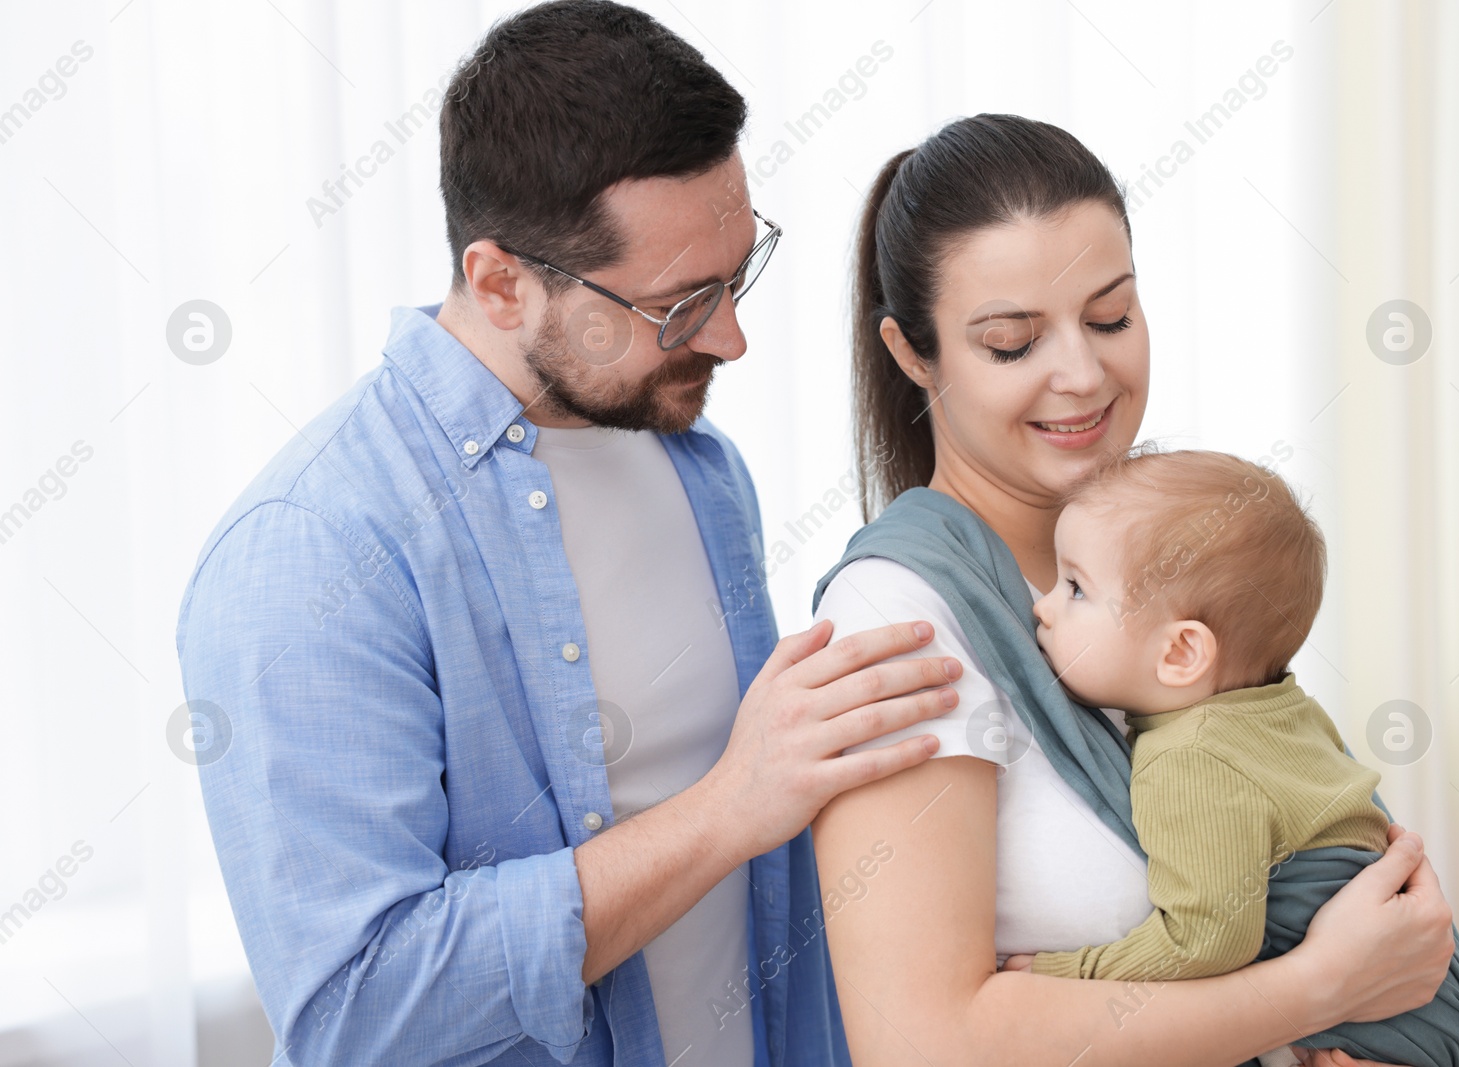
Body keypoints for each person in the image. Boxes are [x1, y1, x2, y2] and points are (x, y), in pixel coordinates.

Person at [174, 3, 961, 1064]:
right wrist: (730, 804)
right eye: (680, 305)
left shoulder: (697, 463)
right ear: (501, 282)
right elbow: (361, 1011)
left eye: (737, 274)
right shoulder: (311, 548)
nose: (730, 336)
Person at [810, 113, 1458, 1067]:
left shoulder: (1160, 547)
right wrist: (1317, 989)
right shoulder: (900, 616)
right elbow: (922, 1044)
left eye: (1111, 317)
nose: (1082, 373)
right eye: (1009, 341)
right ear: (914, 354)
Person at [1003, 447, 1459, 1066]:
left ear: (1180, 653)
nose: (1040, 605)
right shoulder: (1284, 707)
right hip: (1434, 993)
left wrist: (1061, 975)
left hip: (1384, 1031)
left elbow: (1204, 942)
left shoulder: (1189, 759)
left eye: (1075, 588)